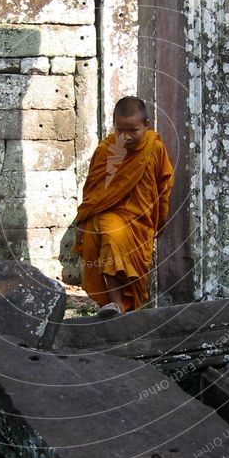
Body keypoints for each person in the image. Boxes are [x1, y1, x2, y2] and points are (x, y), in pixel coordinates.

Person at [72, 96, 174, 317]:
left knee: (129, 260)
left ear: (146, 126)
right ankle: (114, 304)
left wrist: (162, 217)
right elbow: (94, 190)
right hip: (107, 213)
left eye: (133, 130)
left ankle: (126, 307)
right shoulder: (107, 150)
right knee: (108, 236)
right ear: (113, 125)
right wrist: (82, 220)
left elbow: (163, 185)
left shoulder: (154, 148)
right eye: (120, 130)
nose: (125, 137)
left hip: (140, 218)